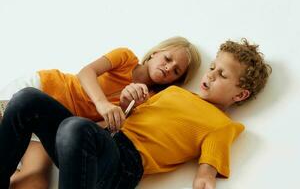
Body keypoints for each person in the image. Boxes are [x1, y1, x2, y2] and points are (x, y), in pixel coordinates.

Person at [0, 38, 272, 189]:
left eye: (222, 74)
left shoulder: (222, 125)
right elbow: (111, 122)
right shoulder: (169, 93)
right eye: (213, 67)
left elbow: (205, 175)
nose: (211, 75)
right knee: (27, 99)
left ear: (240, 95)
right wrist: (125, 103)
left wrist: (204, 181)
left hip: (123, 164)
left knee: (74, 127)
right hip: (98, 141)